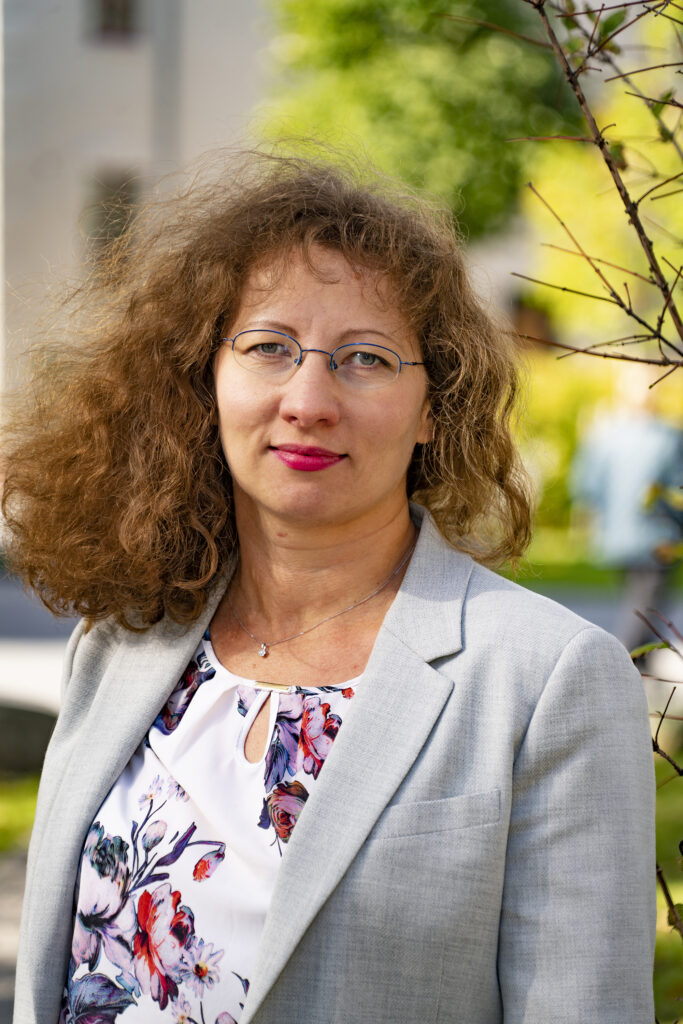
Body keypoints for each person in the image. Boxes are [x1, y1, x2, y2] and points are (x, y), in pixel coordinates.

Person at [3, 150, 655, 1024]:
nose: (308, 399)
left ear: (435, 409)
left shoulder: (548, 678)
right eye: (269, 347)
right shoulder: (122, 641)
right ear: (207, 378)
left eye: (366, 359)